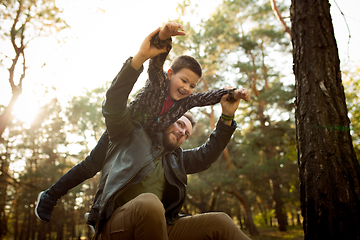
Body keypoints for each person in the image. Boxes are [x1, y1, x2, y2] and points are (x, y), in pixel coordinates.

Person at [35, 22, 250, 224]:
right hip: (124, 130)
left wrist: (233, 93)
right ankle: (50, 195)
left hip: (142, 143)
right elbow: (155, 64)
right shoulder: (159, 84)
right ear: (170, 74)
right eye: (184, 81)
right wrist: (164, 37)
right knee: (91, 165)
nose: (187, 88)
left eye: (192, 85)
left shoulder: (184, 103)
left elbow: (207, 97)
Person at [89, 47, 251, 239]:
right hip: (116, 223)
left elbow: (207, 155)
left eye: (187, 134)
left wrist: (227, 116)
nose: (183, 132)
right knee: (149, 203)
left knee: (220, 222)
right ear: (166, 120)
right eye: (180, 124)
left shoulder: (176, 160)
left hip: (161, 226)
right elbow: (114, 104)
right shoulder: (131, 136)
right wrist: (139, 58)